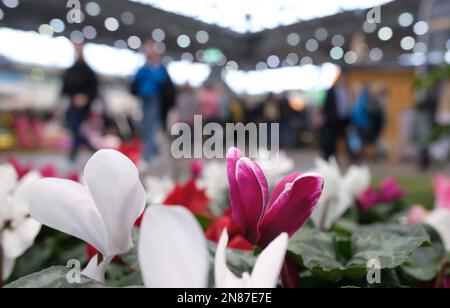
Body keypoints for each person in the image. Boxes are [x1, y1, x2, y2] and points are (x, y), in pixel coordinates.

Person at [131, 40, 172, 168]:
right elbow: (137, 79)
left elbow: (160, 81)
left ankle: (147, 157)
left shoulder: (159, 68)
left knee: (150, 127)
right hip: (144, 99)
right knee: (145, 127)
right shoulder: (144, 68)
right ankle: (153, 151)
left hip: (154, 99)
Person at [61, 43, 98, 162]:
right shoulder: (70, 70)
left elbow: (94, 89)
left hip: (84, 106)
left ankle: (73, 155)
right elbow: (64, 88)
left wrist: (85, 97)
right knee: (74, 129)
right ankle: (92, 149)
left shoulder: (89, 71)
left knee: (77, 129)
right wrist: (72, 98)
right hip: (72, 105)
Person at [320, 70, 351, 160]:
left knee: (343, 140)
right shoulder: (331, 91)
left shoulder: (347, 90)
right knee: (329, 140)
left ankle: (342, 158)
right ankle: (328, 157)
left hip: (343, 121)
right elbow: (326, 105)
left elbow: (347, 106)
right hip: (331, 120)